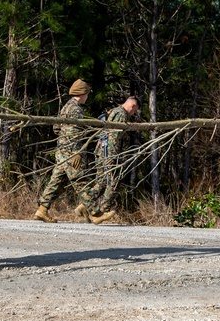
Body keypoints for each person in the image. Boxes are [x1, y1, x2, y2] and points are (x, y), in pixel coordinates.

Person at [34, 79, 102, 224]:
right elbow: (74, 133)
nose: (87, 96)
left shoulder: (66, 107)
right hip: (72, 152)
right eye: (87, 94)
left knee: (57, 181)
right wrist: (75, 153)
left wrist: (64, 144)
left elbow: (56, 128)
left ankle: (42, 210)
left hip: (62, 151)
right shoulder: (76, 109)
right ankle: (96, 213)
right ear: (83, 93)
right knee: (80, 180)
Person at [92, 95, 141, 223]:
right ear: (132, 106)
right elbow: (114, 137)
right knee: (113, 180)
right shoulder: (121, 114)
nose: (133, 113)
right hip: (108, 152)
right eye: (134, 111)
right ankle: (102, 211)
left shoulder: (115, 111)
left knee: (101, 181)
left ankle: (85, 205)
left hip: (102, 151)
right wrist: (113, 157)